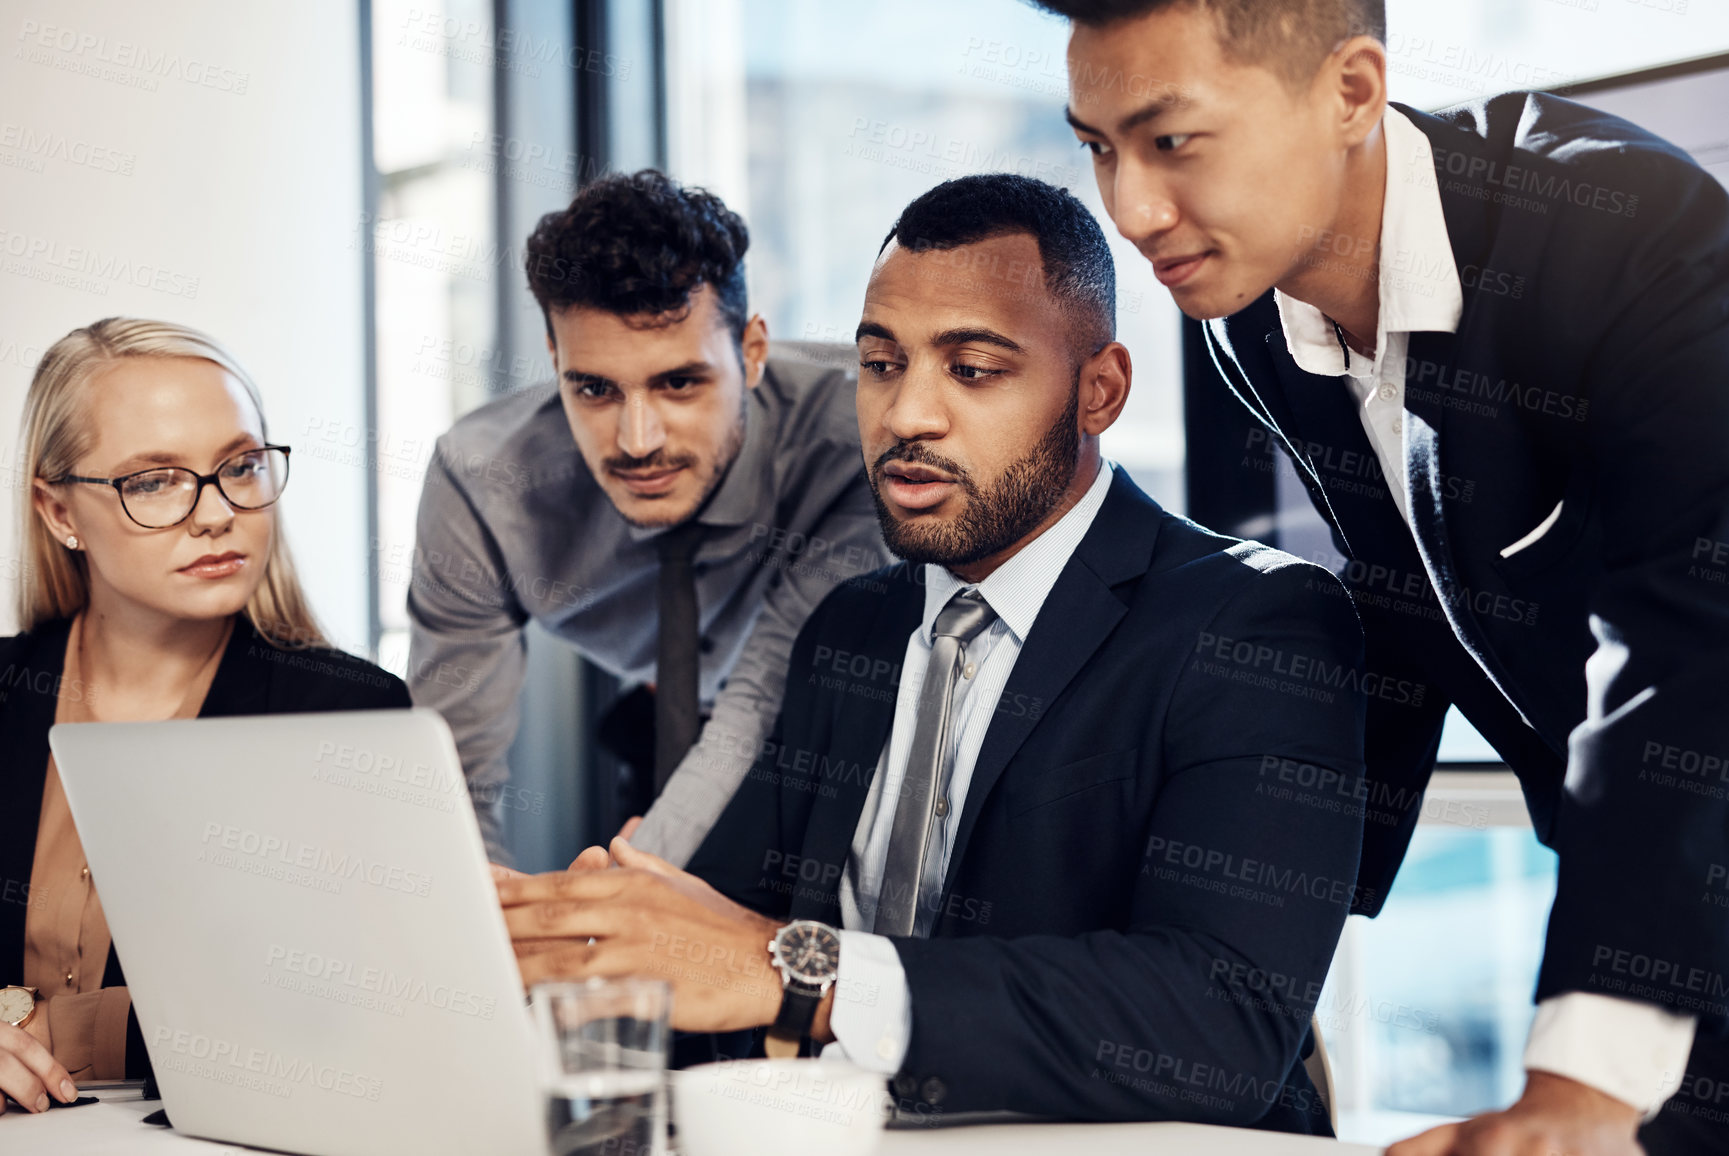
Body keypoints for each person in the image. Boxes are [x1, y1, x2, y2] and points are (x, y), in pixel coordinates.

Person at [496, 175, 1372, 1132]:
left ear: (1099, 390)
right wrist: (605, 935)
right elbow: (725, 931)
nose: (907, 416)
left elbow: (1223, 1023)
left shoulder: (1256, 622)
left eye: (972, 370)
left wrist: (802, 975)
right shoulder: (850, 629)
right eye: (880, 365)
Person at [1043, 1, 1729, 1153]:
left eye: (1171, 142)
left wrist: (1579, 1082)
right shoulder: (1248, 320)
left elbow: (1699, 643)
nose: (1131, 211)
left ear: (1350, 92)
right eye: (1098, 147)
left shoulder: (1628, 235)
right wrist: (1258, 946)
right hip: (1662, 912)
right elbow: (1397, 602)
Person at [408, 169, 887, 865]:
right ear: (554, 359)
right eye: (595, 389)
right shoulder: (483, 484)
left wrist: (622, 901)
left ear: (752, 351)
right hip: (648, 730)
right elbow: (449, 774)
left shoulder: (853, 438)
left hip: (802, 740)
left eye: (679, 383)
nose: (637, 441)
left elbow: (757, 702)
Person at [0, 318, 410, 1115]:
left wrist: (63, 1030)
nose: (217, 513)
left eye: (240, 466)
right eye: (152, 480)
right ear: (58, 512)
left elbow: (353, 1007)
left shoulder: (348, 715)